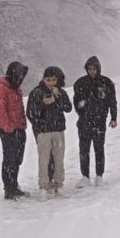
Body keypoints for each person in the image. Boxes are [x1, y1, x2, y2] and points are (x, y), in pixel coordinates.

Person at [26, 66, 72, 194]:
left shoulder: (61, 92)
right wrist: (43, 104)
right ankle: (43, 186)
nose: (51, 83)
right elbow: (30, 113)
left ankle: (59, 184)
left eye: (53, 80)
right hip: (43, 132)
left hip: (58, 129)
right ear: (43, 79)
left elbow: (68, 108)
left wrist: (58, 97)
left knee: (59, 158)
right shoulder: (36, 92)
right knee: (44, 160)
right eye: (48, 80)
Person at [73, 56, 117, 187]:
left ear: (98, 69)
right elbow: (76, 102)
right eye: (89, 69)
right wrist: (82, 111)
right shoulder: (80, 83)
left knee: (99, 149)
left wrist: (113, 117)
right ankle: (85, 176)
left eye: (94, 69)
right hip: (84, 122)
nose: (92, 71)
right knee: (84, 149)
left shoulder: (106, 83)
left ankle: (99, 176)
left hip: (99, 122)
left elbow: (112, 101)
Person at [0, 61, 29, 200]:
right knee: (9, 159)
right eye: (18, 75)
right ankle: (9, 188)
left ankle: (14, 184)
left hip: (19, 128)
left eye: (21, 76)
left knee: (17, 158)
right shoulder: (1, 89)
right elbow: (0, 110)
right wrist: (9, 127)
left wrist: (23, 123)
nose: (20, 78)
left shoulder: (16, 89)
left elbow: (20, 108)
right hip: (8, 131)